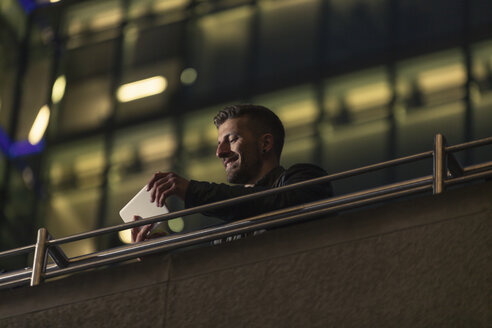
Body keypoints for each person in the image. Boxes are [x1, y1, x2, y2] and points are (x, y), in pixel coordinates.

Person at [132, 104, 332, 242]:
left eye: (232, 139)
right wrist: (162, 257)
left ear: (265, 143)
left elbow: (279, 203)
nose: (220, 152)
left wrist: (193, 191)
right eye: (219, 143)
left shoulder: (306, 177)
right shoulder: (228, 224)